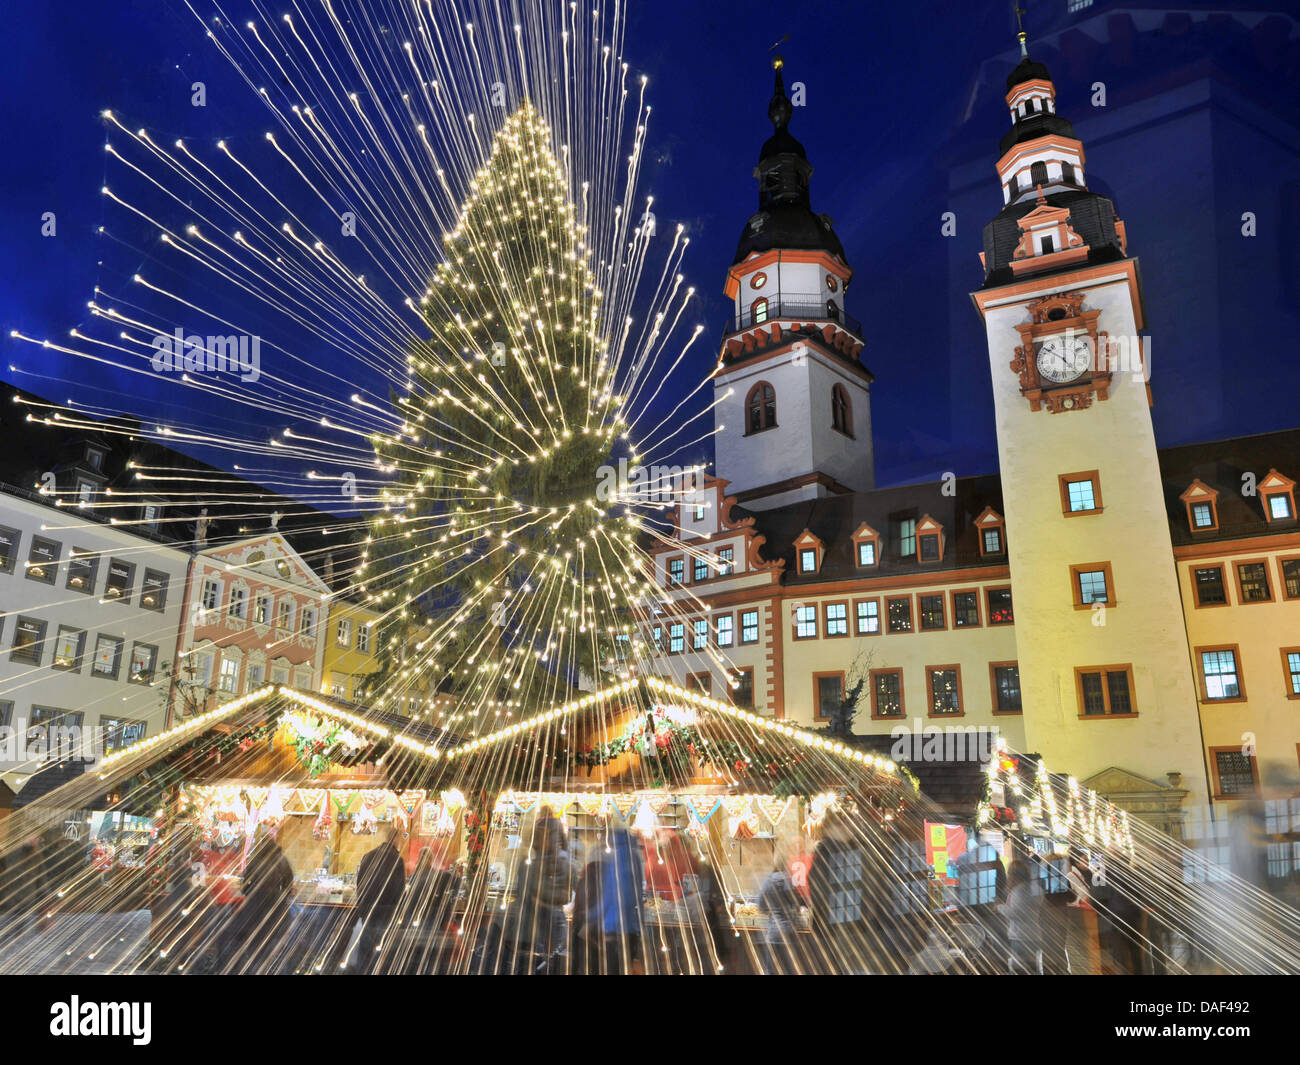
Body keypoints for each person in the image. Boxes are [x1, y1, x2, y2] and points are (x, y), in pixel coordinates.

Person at [502, 812, 573, 974]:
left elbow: (561, 895)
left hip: (532, 932)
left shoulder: (536, 862)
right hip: (534, 932)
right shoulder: (536, 863)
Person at [226, 832, 294, 973]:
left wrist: (250, 895)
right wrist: (282, 896)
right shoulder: (281, 859)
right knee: (275, 946)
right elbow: (289, 882)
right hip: (277, 907)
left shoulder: (255, 860)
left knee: (255, 946)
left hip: (255, 907)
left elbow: (245, 883)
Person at [354, 822, 406, 973]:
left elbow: (359, 886)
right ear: (396, 839)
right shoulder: (397, 860)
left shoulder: (368, 856)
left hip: (368, 912)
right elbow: (400, 891)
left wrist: (363, 908)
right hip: (386, 915)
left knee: (365, 954)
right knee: (383, 956)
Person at [757, 851, 802, 975]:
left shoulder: (768, 881)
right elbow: (797, 904)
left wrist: (771, 908)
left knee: (771, 971)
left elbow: (761, 906)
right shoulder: (792, 882)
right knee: (789, 971)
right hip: (789, 933)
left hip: (773, 934)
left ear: (775, 864)